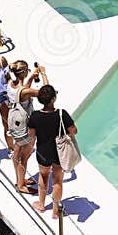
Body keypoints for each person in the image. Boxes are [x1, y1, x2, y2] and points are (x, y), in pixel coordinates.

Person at [28, 87, 77, 220]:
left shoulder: (35, 115)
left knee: (43, 177)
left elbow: (31, 134)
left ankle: (41, 204)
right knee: (58, 180)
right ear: (54, 99)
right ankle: (56, 211)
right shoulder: (62, 114)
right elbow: (73, 131)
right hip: (59, 153)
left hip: (43, 151)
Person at [7, 63, 42, 195]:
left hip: (15, 125)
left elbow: (22, 92)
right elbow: (45, 93)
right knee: (24, 157)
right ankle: (21, 185)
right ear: (23, 72)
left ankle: (19, 180)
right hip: (25, 127)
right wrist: (43, 74)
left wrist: (32, 77)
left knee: (17, 153)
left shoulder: (11, 84)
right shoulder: (25, 92)